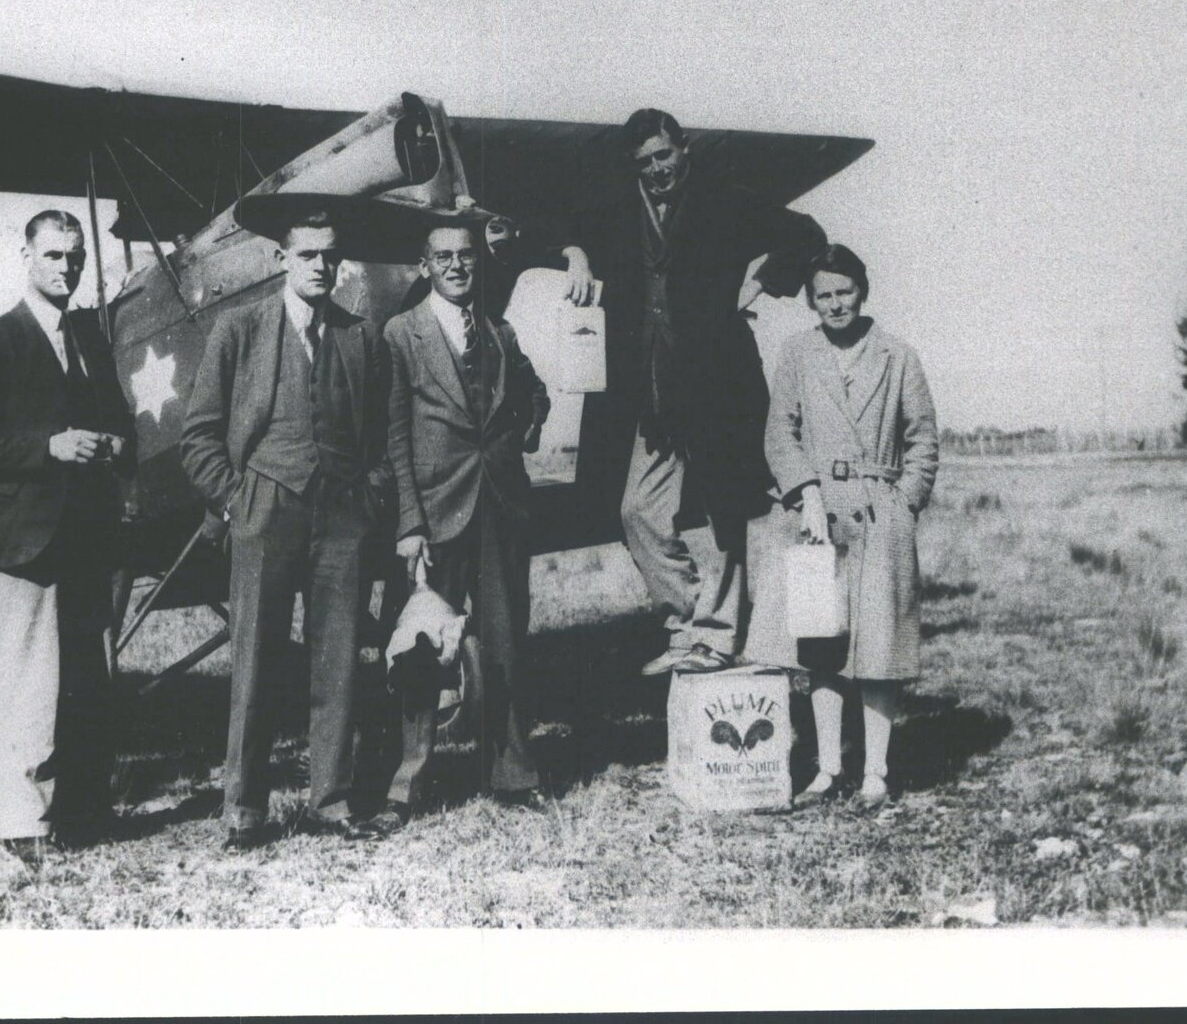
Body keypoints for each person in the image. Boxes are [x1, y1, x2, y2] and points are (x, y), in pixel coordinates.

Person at [553, 108, 829, 676]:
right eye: (645, 163)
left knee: (729, 511)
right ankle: (684, 621)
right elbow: (567, 224)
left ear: (684, 149)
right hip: (647, 396)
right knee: (635, 512)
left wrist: (759, 284)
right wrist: (575, 255)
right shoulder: (614, 209)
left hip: (716, 386)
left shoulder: (726, 199)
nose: (657, 170)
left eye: (664, 156)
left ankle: (717, 636)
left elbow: (805, 234)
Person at [180, 202, 396, 850]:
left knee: (338, 664)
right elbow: (198, 438)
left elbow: (384, 440)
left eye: (330, 255)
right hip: (264, 513)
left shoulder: (359, 337)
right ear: (282, 259)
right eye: (308, 254)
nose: (321, 266)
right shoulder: (238, 329)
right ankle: (244, 809)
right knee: (255, 663)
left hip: (340, 522)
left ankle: (330, 801)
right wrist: (236, 502)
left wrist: (368, 500)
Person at [0, 210, 134, 857]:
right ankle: (24, 822)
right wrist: (49, 447)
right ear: (26, 255)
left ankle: (83, 809)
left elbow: (117, 418)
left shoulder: (89, 337)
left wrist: (114, 442)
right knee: (28, 683)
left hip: (86, 537)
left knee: (87, 680)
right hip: (26, 539)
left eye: (75, 257)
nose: (66, 268)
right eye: (54, 256)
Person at [378, 220, 552, 830]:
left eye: (466, 256)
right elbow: (393, 434)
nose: (457, 266)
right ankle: (408, 783)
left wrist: (526, 428)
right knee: (421, 649)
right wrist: (408, 522)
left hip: (500, 507)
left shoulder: (499, 332)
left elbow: (535, 392)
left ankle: (511, 773)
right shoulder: (401, 334)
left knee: (505, 645)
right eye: (443, 257)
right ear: (424, 266)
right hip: (432, 515)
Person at [755, 243, 938, 805]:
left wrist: (902, 504)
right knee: (820, 647)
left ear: (863, 290)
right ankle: (829, 768)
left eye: (844, 292)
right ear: (811, 301)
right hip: (816, 519)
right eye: (823, 295)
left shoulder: (898, 355)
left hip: (879, 515)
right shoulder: (795, 354)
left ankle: (876, 774)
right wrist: (805, 491)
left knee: (879, 650)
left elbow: (923, 440)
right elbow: (779, 433)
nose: (835, 304)